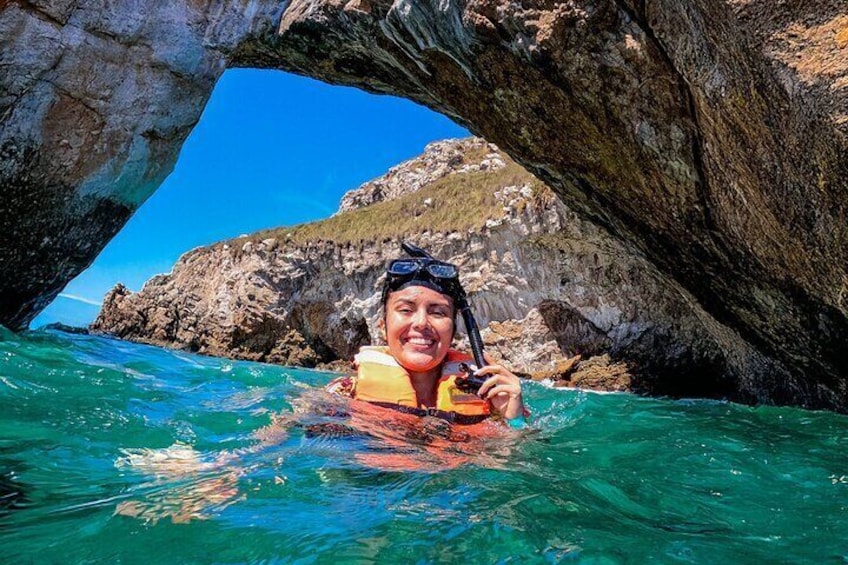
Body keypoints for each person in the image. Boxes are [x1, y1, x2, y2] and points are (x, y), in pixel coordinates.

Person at [327, 246, 528, 429]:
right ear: (382, 327)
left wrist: (514, 420)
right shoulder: (342, 394)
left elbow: (523, 460)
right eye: (406, 310)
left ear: (454, 331)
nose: (421, 322)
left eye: (438, 313)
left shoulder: (490, 399)